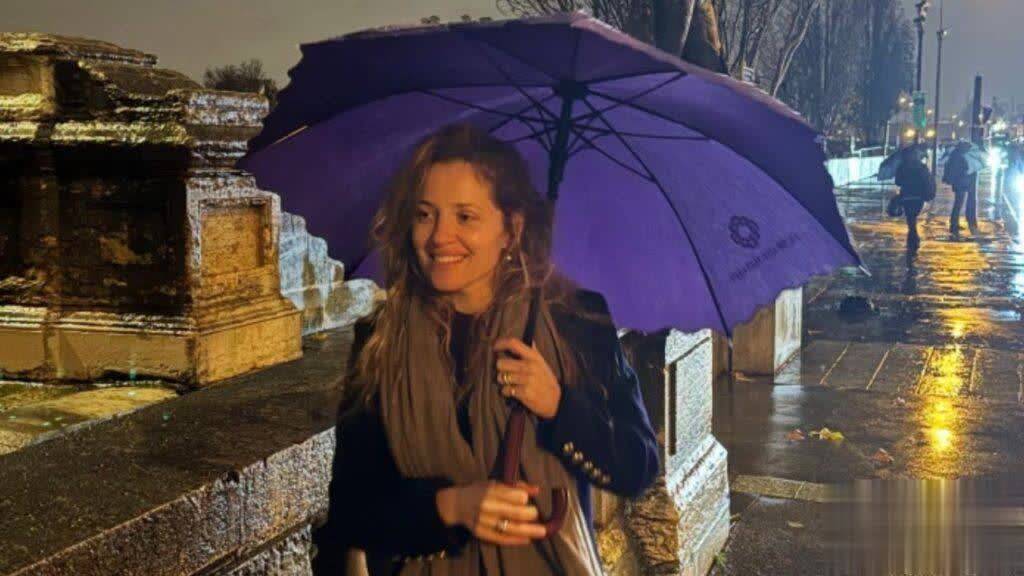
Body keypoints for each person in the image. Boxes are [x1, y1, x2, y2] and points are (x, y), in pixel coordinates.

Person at [312, 123, 660, 575]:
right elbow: (351, 509)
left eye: (465, 217)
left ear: (511, 228)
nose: (440, 236)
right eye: (424, 214)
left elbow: (637, 468)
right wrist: (450, 506)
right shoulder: (381, 339)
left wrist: (559, 407)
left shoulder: (573, 321)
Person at [894, 145, 934, 263]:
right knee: (913, 217)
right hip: (918, 197)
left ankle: (913, 237)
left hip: (907, 196)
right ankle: (913, 237)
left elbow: (898, 182)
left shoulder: (902, 167)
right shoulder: (922, 167)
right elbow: (927, 181)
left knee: (910, 218)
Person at [943, 141, 978, 239]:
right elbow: (961, 169)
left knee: (958, 204)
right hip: (960, 183)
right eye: (967, 148)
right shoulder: (958, 157)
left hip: (959, 183)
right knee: (958, 204)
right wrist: (967, 169)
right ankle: (953, 224)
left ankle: (954, 223)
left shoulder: (956, 155)